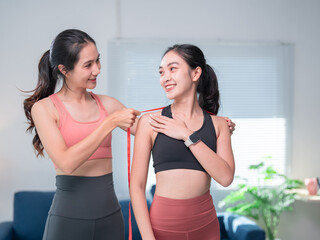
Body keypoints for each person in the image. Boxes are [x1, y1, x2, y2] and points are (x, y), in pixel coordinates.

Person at [23, 29, 141, 240]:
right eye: (88, 65)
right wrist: (109, 122)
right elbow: (66, 162)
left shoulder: (108, 104)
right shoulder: (45, 109)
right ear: (64, 70)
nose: (97, 70)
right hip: (67, 222)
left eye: (98, 61)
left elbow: (151, 134)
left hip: (111, 221)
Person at [130, 44, 235, 240]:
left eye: (173, 69)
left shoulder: (220, 125)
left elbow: (226, 177)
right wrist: (147, 238)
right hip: (163, 226)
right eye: (161, 72)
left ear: (195, 74)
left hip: (206, 226)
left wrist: (187, 134)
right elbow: (136, 186)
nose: (165, 78)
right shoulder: (150, 123)